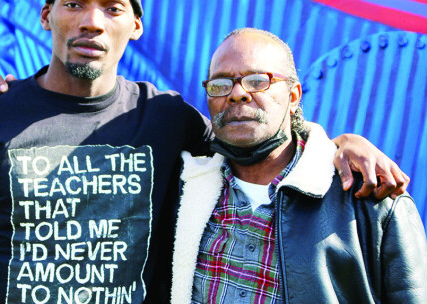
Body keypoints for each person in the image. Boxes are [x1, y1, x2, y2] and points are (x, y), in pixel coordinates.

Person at [0, 0, 409, 302]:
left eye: (113, 7)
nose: (92, 21)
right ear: (46, 15)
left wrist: (338, 143)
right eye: (73, 3)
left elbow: (253, 135)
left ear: (135, 26)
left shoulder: (167, 118)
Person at [170, 28, 427, 304]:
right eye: (220, 84)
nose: (237, 94)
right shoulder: (183, 188)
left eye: (257, 81)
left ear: (293, 97)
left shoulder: (372, 199)